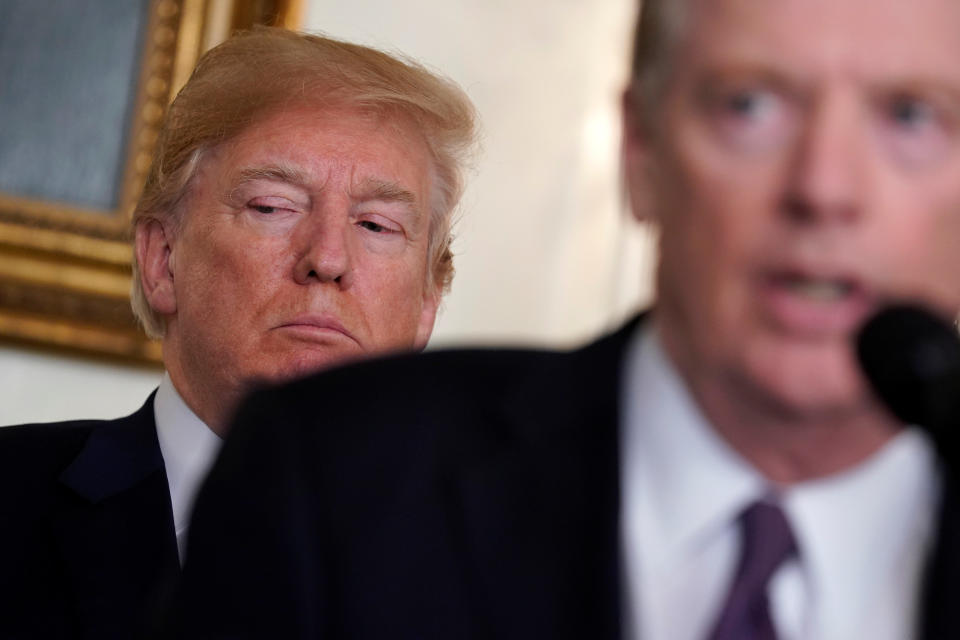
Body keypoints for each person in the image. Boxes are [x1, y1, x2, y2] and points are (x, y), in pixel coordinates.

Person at [171, 1, 960, 638]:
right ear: (640, 152)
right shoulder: (334, 482)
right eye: (749, 106)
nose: (824, 187)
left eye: (912, 117)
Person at [0, 28, 476, 639]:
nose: (327, 258)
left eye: (377, 224)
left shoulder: (519, 565)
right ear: (162, 259)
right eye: (273, 207)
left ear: (426, 305)